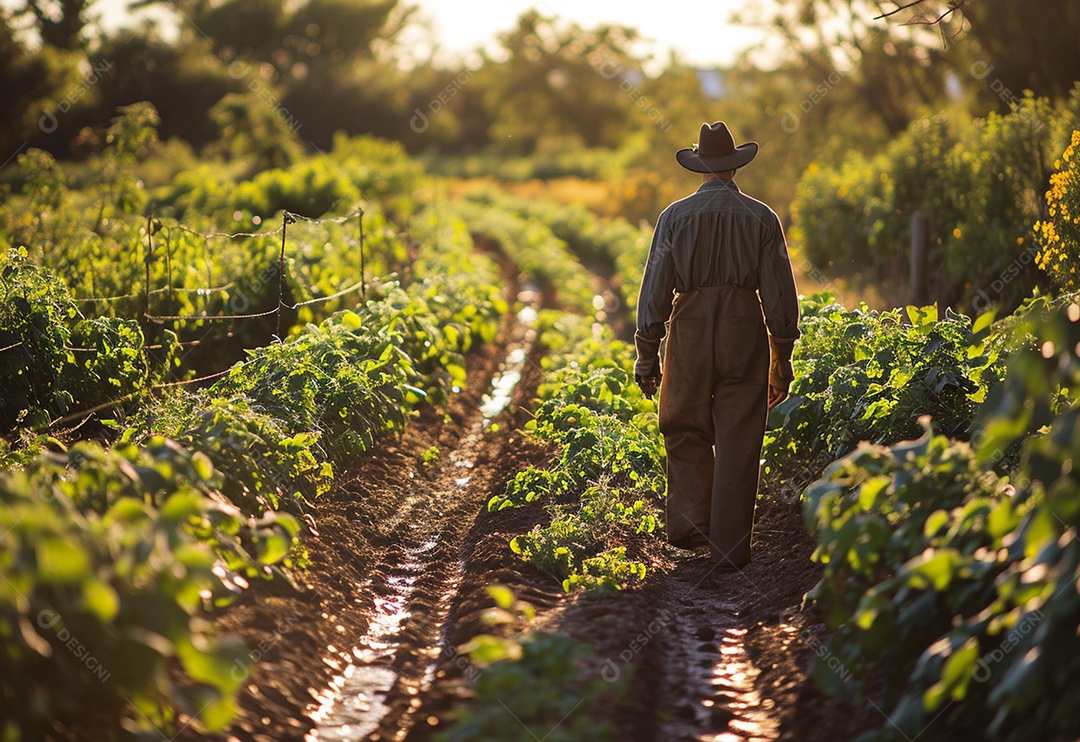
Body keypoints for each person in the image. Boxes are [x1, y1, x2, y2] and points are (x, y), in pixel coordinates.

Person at [634, 121, 800, 568]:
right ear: (734, 168)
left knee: (683, 423)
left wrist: (647, 354)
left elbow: (654, 290)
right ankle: (729, 549)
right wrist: (780, 358)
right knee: (740, 436)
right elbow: (780, 293)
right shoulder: (762, 218)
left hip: (688, 328)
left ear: (699, 168)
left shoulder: (673, 217)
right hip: (744, 330)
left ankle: (691, 526)